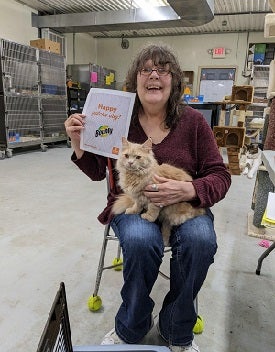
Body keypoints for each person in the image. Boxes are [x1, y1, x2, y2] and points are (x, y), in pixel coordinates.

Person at [64, 44, 231, 352]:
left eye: (163, 69)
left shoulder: (193, 122)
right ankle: (132, 326)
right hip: (135, 204)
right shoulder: (118, 118)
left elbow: (220, 176)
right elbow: (96, 172)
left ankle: (177, 330)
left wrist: (189, 189)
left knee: (201, 241)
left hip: (184, 205)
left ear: (174, 80)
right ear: (136, 80)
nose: (154, 75)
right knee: (142, 242)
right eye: (146, 70)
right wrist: (79, 142)